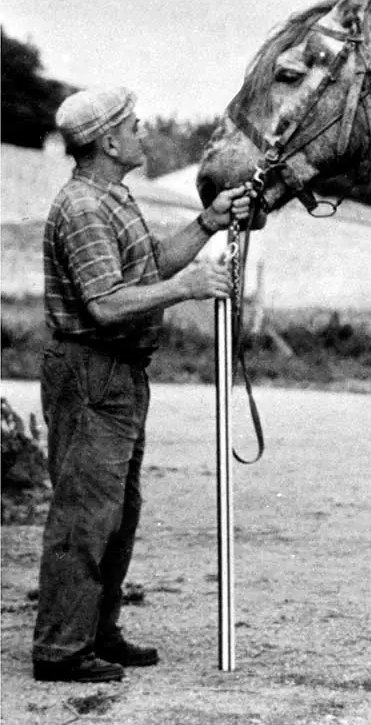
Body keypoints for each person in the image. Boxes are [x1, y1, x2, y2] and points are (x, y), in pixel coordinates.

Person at [32, 87, 252, 683]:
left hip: (119, 374)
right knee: (86, 513)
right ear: (107, 141)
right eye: (132, 125)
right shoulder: (82, 208)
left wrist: (207, 223)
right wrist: (189, 289)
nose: (141, 131)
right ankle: (61, 649)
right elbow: (106, 304)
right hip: (91, 369)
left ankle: (96, 633)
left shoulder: (112, 199)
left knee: (117, 511)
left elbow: (150, 265)